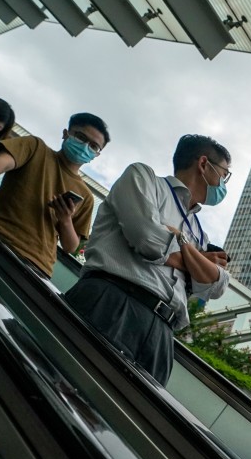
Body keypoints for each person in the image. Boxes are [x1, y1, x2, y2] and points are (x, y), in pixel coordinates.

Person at [64, 134, 232, 385]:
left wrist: (182, 243)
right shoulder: (144, 178)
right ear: (204, 164)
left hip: (162, 332)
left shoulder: (199, 233)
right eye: (224, 174)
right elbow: (148, 239)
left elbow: (217, 285)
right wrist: (196, 260)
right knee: (70, 383)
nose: (223, 184)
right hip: (113, 300)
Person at [0, 112, 108, 277]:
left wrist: (65, 219)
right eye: (81, 137)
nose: (85, 146)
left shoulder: (86, 197)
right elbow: (0, 163)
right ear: (66, 133)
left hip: (35, 268)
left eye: (93, 146)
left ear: (97, 155)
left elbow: (72, 247)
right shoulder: (35, 147)